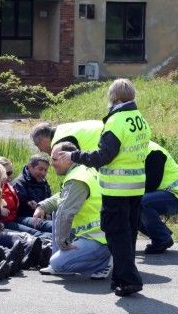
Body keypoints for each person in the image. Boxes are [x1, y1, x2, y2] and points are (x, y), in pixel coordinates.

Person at [59, 78, 151, 297]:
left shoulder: (116, 122)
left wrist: (75, 156)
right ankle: (121, 278)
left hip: (116, 189)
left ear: (113, 97)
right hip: (136, 188)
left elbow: (103, 156)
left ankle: (129, 280)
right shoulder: (139, 119)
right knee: (128, 235)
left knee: (116, 235)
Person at [33, 142, 112, 278]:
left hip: (99, 240)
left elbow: (65, 213)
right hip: (97, 235)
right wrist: (43, 206)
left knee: (58, 263)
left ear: (68, 158)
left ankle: (105, 262)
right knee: (56, 210)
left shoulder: (77, 179)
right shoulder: (83, 170)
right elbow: (63, 196)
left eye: (55, 159)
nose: (52, 164)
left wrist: (62, 242)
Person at [140, 141, 178, 253]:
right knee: (132, 206)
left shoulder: (152, 152)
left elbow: (152, 184)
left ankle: (161, 239)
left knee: (140, 203)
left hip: (176, 197)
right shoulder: (141, 149)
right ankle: (162, 233)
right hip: (171, 195)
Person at [12, 154, 54, 230]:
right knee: (54, 227)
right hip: (23, 219)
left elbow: (50, 201)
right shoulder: (19, 183)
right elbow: (19, 209)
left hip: (42, 217)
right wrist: (31, 205)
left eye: (45, 170)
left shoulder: (44, 184)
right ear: (30, 166)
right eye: (40, 169)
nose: (43, 173)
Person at [30, 120, 104, 154]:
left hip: (103, 142)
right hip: (104, 127)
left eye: (38, 145)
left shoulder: (58, 144)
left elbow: (72, 166)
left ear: (42, 140)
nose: (40, 150)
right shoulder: (61, 129)